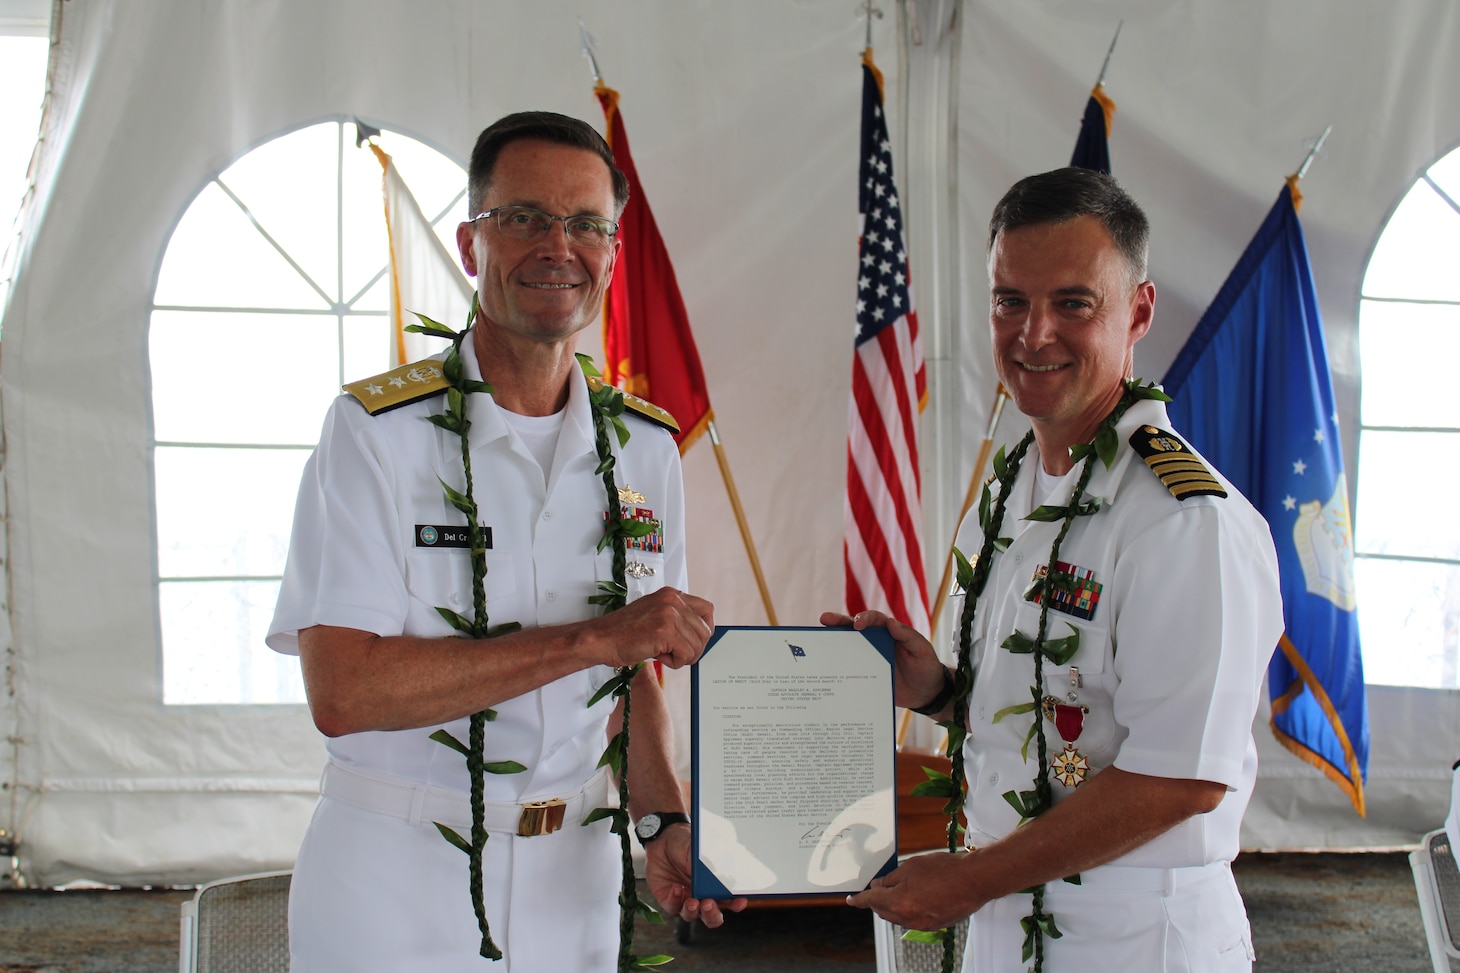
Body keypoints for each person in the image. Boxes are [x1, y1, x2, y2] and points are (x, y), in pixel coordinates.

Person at [267, 111, 742, 972]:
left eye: (587, 224)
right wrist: (594, 638)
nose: (557, 246)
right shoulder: (375, 434)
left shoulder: (642, 447)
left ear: (612, 255)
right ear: (469, 243)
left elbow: (636, 674)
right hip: (398, 877)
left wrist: (662, 820)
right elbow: (343, 689)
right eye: (524, 218)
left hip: (578, 881)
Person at [826, 168, 1283, 971]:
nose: (1033, 334)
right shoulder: (1011, 491)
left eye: (1073, 303)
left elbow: (1180, 780)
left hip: (1138, 935)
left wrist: (970, 879)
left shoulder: (1184, 520)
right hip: (1010, 916)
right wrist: (936, 690)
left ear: (1138, 311)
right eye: (1010, 300)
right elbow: (1057, 728)